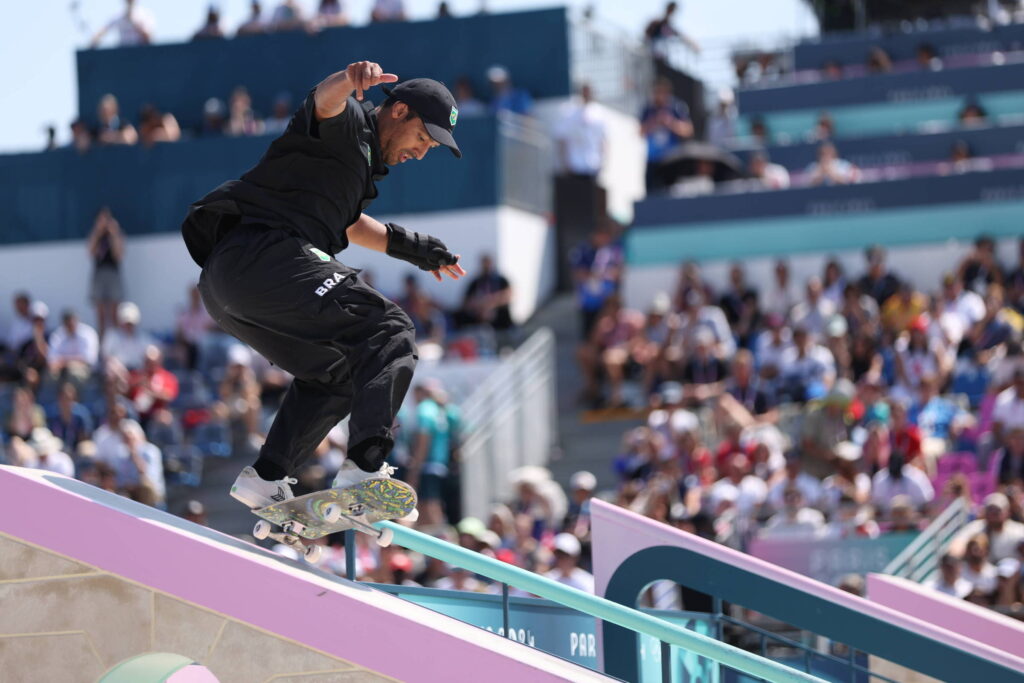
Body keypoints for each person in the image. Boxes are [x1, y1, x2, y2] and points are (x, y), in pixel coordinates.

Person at [180, 62, 465, 511]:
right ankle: (365, 467)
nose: (421, 152)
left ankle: (268, 477)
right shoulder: (348, 124)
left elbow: (351, 224)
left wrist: (417, 249)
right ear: (399, 111)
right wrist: (349, 80)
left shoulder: (359, 169)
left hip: (229, 289)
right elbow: (325, 102)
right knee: (389, 329)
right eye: (421, 139)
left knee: (338, 373)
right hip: (263, 257)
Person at [640, 78, 693, 192]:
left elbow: (688, 130)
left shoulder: (677, 107)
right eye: (656, 92)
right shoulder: (648, 109)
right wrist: (654, 122)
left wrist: (670, 122)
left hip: (671, 160)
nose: (658, 96)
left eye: (661, 92)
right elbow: (640, 132)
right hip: (653, 161)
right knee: (651, 194)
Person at [454, 254, 514, 345]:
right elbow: (466, 301)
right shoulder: (476, 282)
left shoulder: (501, 280)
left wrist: (490, 303)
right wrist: (480, 306)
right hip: (478, 318)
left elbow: (508, 295)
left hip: (499, 318)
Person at [87, 207, 126, 341]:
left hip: (113, 273)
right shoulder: (96, 235)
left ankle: (115, 342)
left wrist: (114, 233)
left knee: (114, 313)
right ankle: (102, 342)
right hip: (99, 274)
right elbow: (90, 252)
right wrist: (98, 231)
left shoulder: (117, 235)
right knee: (101, 314)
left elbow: (118, 255)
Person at [554, 83, 606, 181]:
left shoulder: (598, 113)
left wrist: (603, 162)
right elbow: (561, 139)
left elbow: (603, 140)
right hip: (575, 166)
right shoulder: (569, 112)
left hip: (593, 165)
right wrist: (564, 163)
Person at [90, 0, 155, 48]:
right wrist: (94, 41)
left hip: (140, 53)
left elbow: (149, 39)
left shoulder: (144, 15)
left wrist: (134, 22)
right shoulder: (119, 17)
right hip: (123, 54)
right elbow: (103, 31)